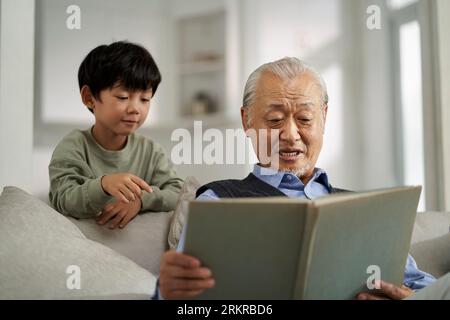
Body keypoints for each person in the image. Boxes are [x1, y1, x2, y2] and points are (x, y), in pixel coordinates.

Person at [157, 57, 438, 300]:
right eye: (275, 120)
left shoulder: (366, 210)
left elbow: (428, 288)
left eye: (304, 119)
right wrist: (167, 294)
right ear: (247, 122)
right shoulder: (216, 203)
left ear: (324, 118)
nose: (290, 135)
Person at [49, 41, 183, 229]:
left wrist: (140, 199)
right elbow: (63, 198)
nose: (135, 108)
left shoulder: (151, 151)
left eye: (145, 99)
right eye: (123, 97)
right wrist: (103, 185)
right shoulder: (74, 146)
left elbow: (179, 193)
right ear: (89, 97)